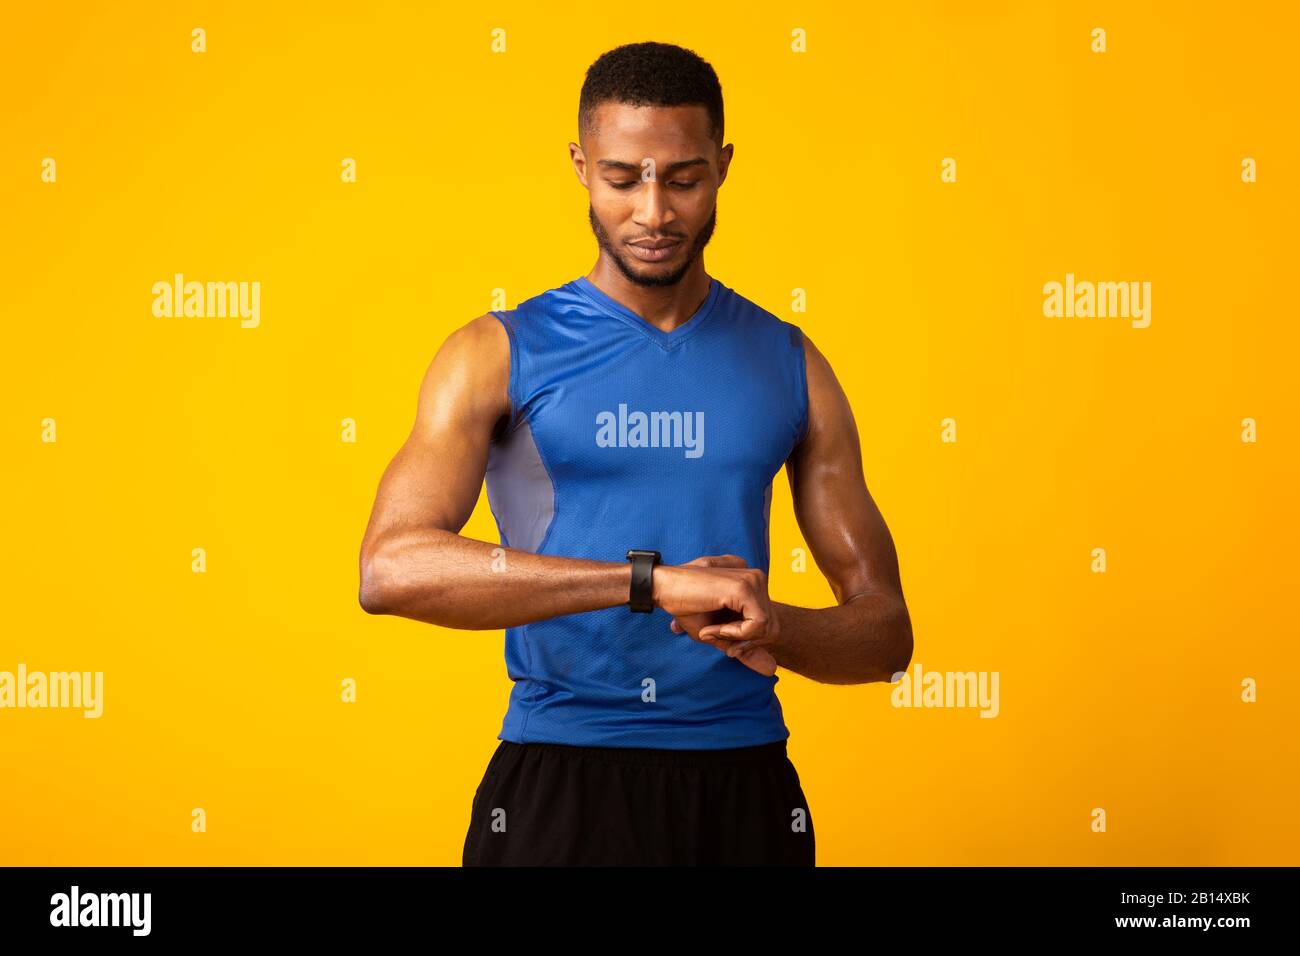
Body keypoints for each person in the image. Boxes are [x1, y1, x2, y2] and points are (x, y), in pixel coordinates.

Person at [358, 41, 913, 866]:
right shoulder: (498, 352)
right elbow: (390, 570)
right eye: (622, 178)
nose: (653, 212)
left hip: (743, 787)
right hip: (558, 783)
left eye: (683, 178)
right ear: (581, 167)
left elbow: (885, 635)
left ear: (723, 168)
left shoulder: (792, 363)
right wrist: (648, 583)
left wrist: (778, 626)